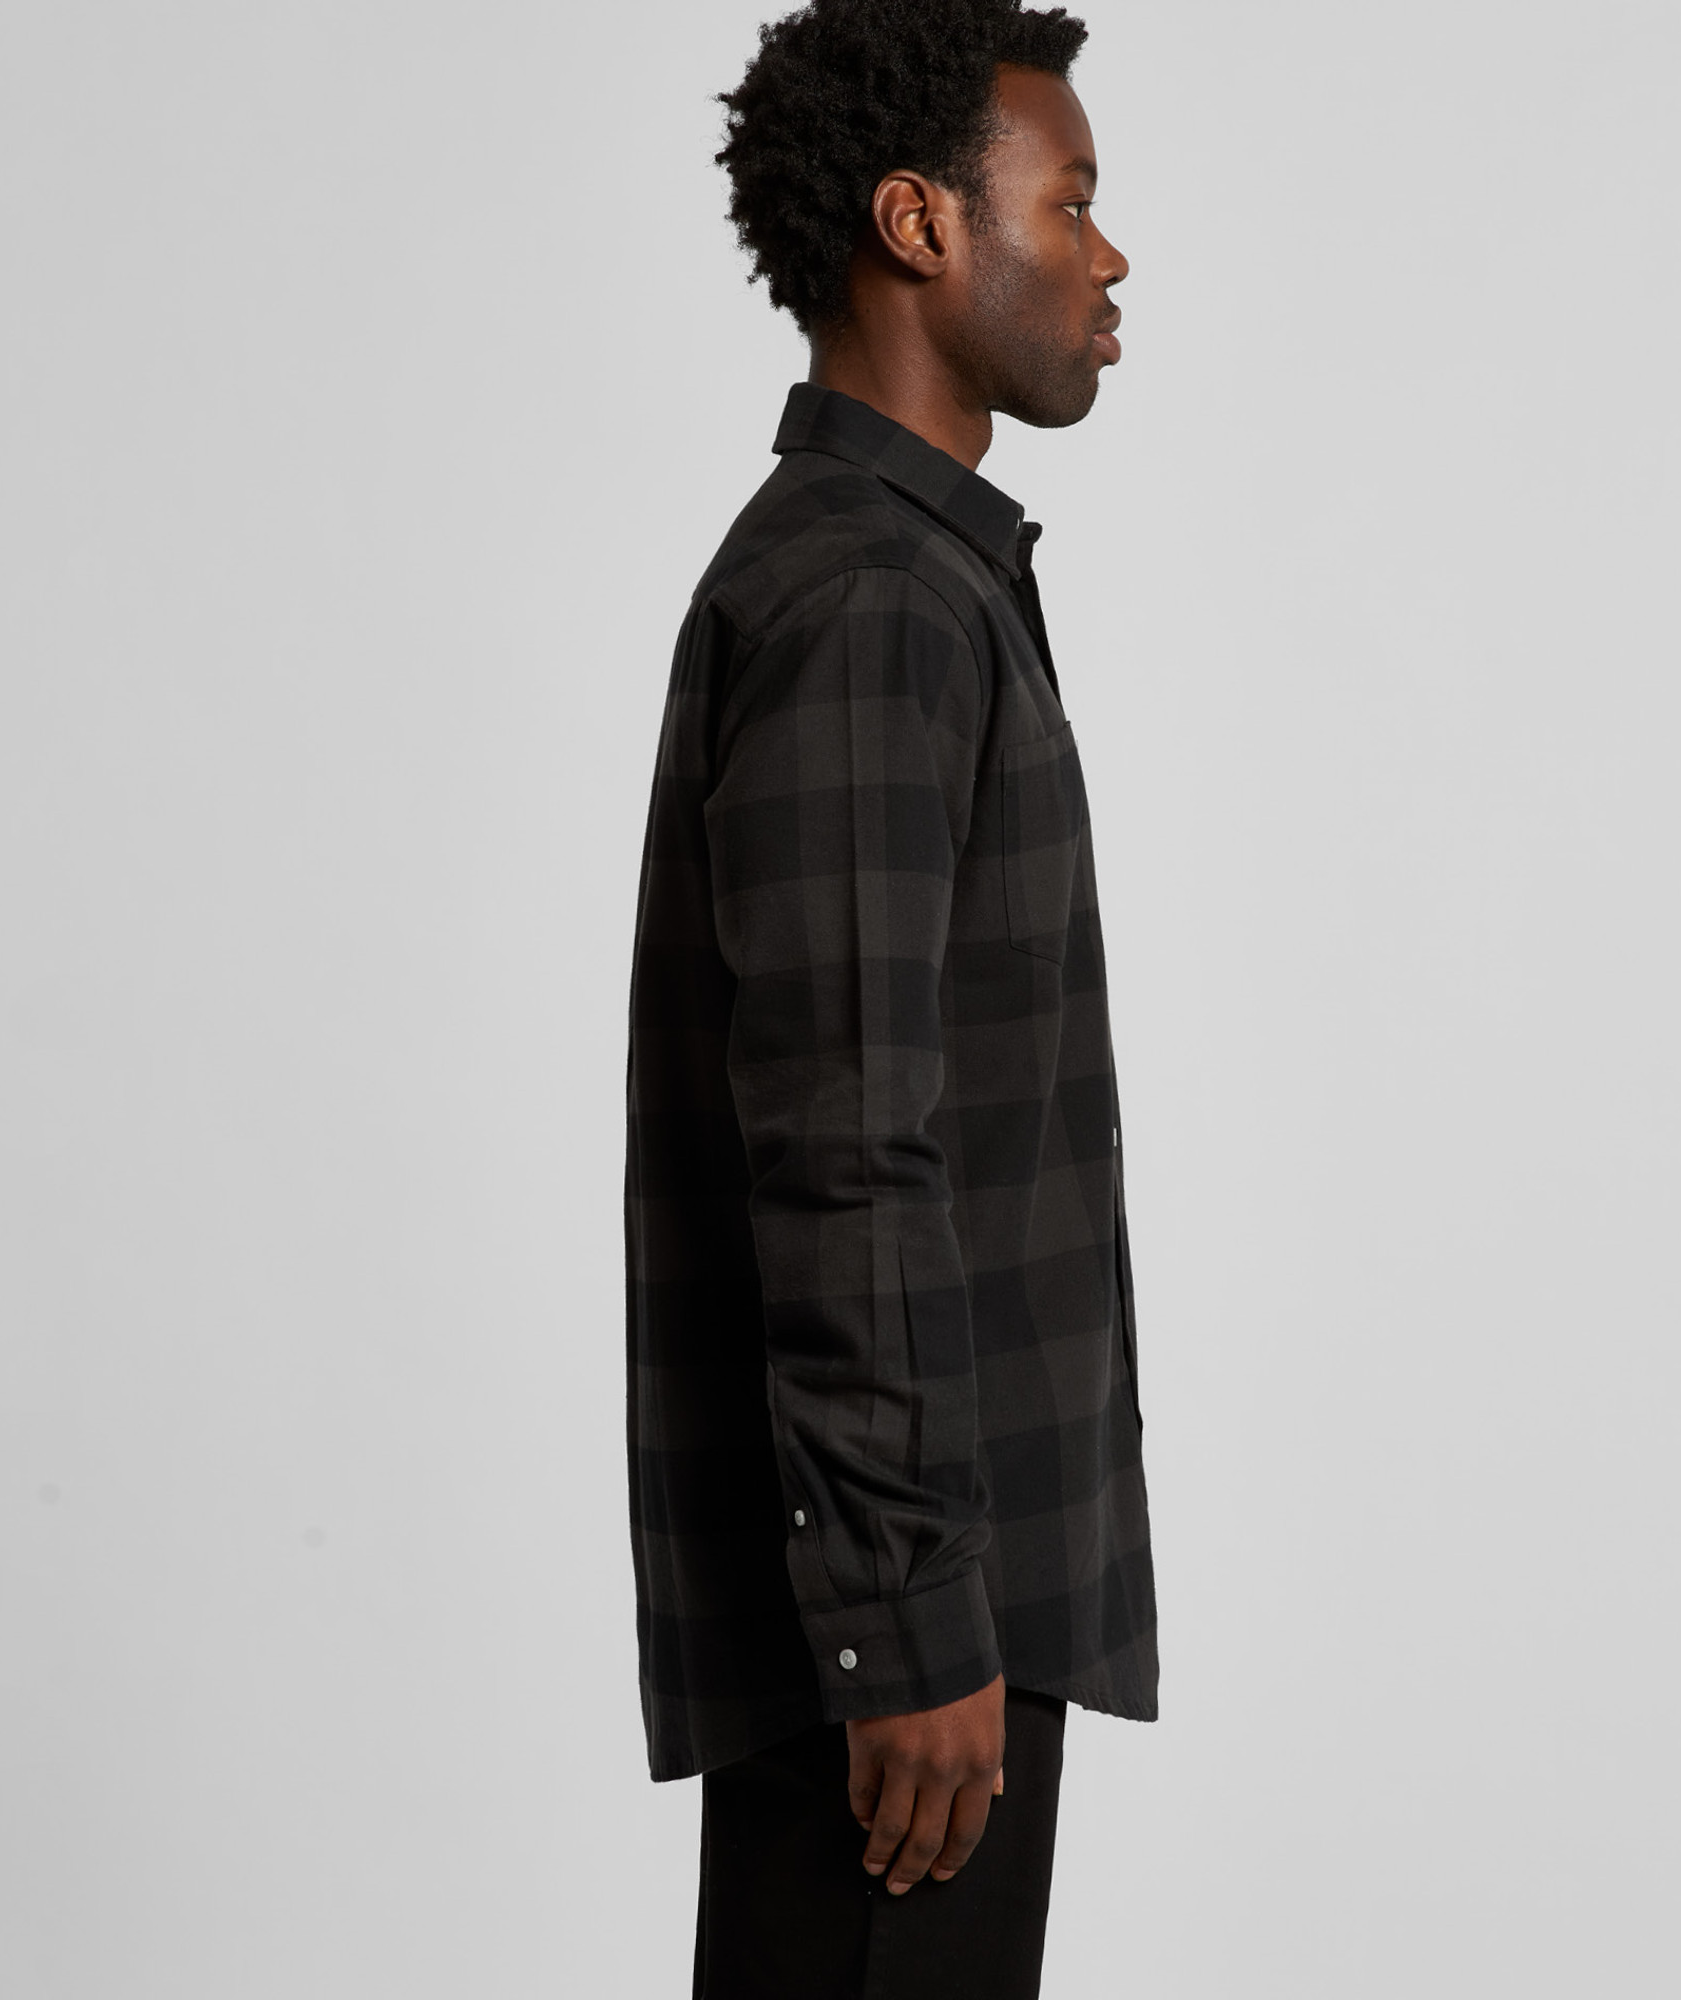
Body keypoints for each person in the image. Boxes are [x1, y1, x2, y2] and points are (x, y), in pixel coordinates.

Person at [623, 3, 1156, 1991]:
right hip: (904, 1641)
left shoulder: (917, 579)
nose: (1110, 255)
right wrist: (905, 1618)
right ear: (920, 224)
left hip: (931, 1602)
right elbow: (844, 1144)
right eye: (1070, 202)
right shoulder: (870, 600)